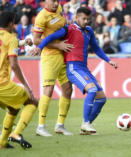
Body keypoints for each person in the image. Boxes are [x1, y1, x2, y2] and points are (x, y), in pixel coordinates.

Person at [32, 7, 118, 135]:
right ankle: (85, 124)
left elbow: (96, 48)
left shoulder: (89, 31)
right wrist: (39, 47)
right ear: (76, 17)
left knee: (101, 98)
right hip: (73, 68)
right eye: (83, 18)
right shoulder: (68, 29)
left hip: (84, 68)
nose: (86, 21)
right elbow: (50, 37)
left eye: (88, 19)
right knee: (92, 90)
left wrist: (108, 60)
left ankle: (86, 125)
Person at [31, 0, 74, 137]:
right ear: (45, 2)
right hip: (50, 56)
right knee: (48, 89)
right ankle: (41, 126)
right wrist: (58, 45)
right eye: (53, 1)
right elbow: (36, 40)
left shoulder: (59, 8)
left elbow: (60, 23)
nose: (56, 3)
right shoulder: (41, 17)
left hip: (64, 55)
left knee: (68, 88)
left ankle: (60, 125)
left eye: (57, 0)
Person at [0, 11, 38, 149]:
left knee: (13, 108)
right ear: (11, 23)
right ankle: (16, 133)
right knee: (32, 101)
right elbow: (14, 65)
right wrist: (26, 86)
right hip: (2, 85)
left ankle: (2, 143)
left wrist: (22, 42)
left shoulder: (11, 40)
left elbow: (4, 46)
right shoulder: (11, 38)